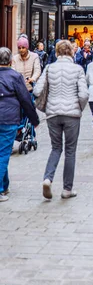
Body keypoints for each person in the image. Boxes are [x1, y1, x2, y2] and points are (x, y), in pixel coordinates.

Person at [34, 40, 89, 200]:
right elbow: (84, 94)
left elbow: (37, 90)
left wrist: (46, 105)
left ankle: (47, 178)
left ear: (57, 52)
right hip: (72, 114)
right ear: (72, 52)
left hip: (52, 113)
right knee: (70, 151)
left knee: (56, 148)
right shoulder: (78, 69)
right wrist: (79, 108)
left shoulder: (50, 68)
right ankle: (67, 189)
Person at [0, 47, 40, 202]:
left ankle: (5, 184)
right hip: (9, 119)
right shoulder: (15, 77)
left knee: (2, 151)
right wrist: (34, 120)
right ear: (11, 61)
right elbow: (25, 100)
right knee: (3, 153)